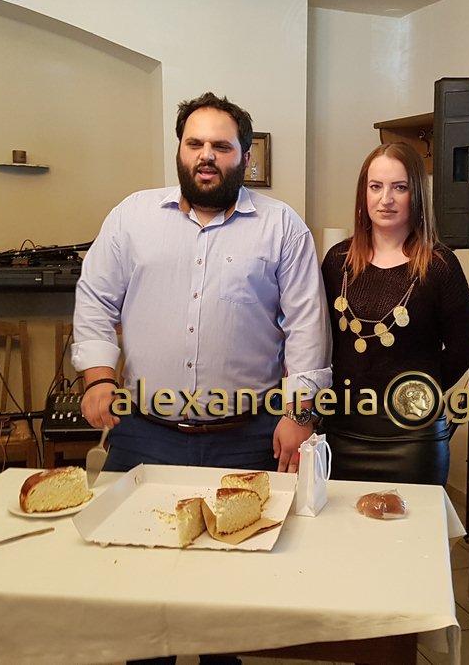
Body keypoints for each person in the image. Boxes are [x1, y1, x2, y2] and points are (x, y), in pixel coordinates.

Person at [73, 92, 331, 479]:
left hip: (251, 437)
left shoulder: (282, 227)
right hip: (143, 434)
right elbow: (95, 299)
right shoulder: (131, 217)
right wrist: (99, 378)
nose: (206, 156)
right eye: (194, 144)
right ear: (180, 151)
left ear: (245, 157)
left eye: (221, 146)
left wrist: (300, 415)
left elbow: (307, 326)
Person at [320, 142, 469, 485]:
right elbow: (318, 342)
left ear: (416, 194)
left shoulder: (440, 266)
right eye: (376, 186)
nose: (385, 199)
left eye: (399, 187)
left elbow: (464, 349)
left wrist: (418, 392)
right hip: (341, 430)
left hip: (414, 437)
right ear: (363, 193)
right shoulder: (336, 262)